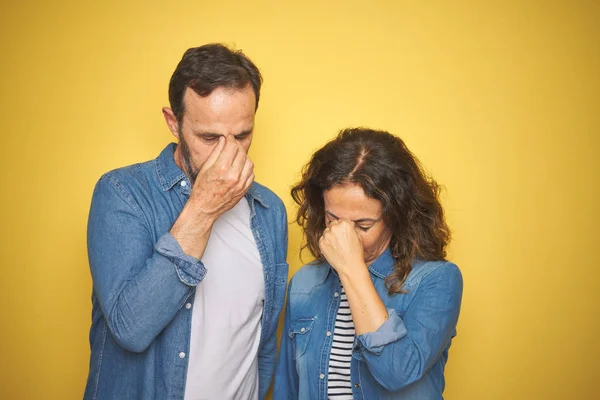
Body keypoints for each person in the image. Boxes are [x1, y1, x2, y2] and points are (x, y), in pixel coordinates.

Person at [84, 44, 288, 400]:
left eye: (242, 136)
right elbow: (131, 329)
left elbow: (262, 341)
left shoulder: (270, 210)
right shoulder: (121, 194)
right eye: (209, 138)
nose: (229, 154)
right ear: (173, 122)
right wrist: (203, 208)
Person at [274, 128, 463, 399]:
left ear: (396, 216)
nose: (345, 236)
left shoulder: (437, 280)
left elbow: (396, 372)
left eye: (362, 225)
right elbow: (288, 388)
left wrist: (352, 269)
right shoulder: (305, 283)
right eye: (333, 220)